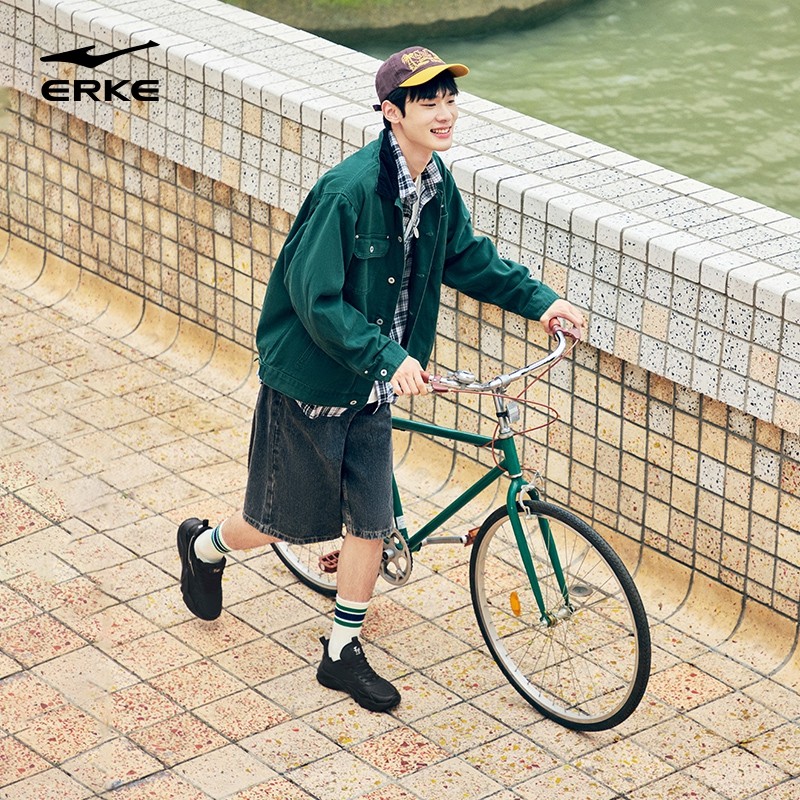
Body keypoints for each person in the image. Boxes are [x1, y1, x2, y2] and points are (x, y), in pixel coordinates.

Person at [177, 46, 585, 713]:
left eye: (450, 99)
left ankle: (341, 652)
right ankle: (204, 545)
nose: (445, 112)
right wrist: (390, 358)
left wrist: (542, 302)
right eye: (428, 102)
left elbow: (465, 257)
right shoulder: (349, 190)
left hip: (373, 385)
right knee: (279, 522)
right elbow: (316, 299)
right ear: (392, 112)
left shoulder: (434, 180)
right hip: (315, 379)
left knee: (370, 523)